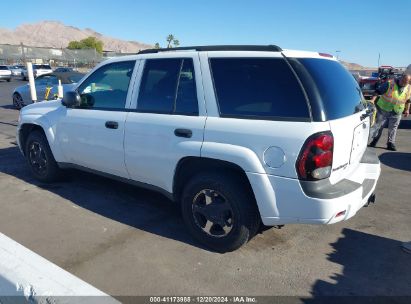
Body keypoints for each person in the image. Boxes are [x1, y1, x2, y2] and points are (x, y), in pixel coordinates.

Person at [369, 73, 411, 151]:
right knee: (379, 126)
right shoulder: (390, 84)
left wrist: (407, 110)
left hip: (397, 111)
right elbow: (377, 91)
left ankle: (390, 144)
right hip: (383, 109)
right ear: (401, 78)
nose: (403, 83)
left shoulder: (409, 88)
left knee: (393, 128)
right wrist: (372, 100)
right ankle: (374, 141)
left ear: (408, 82)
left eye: (406, 82)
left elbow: (408, 100)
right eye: (403, 81)